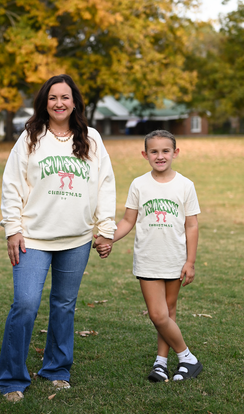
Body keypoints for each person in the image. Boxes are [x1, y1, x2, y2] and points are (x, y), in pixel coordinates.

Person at [0, 74, 116, 402]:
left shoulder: (90, 138)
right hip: (33, 237)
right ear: (44, 103)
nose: (59, 103)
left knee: (64, 305)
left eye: (65, 97)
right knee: (25, 303)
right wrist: (13, 229)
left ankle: (56, 369)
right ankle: (11, 379)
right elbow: (12, 184)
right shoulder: (31, 137)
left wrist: (105, 228)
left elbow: (105, 183)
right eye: (53, 98)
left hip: (76, 238)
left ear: (75, 101)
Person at [94, 130, 203, 382]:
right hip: (147, 259)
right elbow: (128, 220)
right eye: (154, 151)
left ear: (176, 153)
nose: (160, 156)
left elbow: (192, 225)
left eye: (166, 151)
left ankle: (162, 362)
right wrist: (108, 238)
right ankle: (188, 358)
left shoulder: (185, 185)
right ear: (145, 154)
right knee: (158, 314)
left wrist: (190, 261)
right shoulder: (139, 184)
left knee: (168, 312)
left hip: (175, 259)